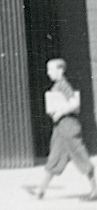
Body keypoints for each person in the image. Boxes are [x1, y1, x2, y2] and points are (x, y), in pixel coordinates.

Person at [33, 58, 97, 200]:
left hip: (68, 128)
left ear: (60, 70)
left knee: (82, 159)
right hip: (61, 129)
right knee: (54, 159)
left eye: (51, 69)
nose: (48, 73)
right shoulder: (57, 85)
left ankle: (95, 190)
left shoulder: (63, 85)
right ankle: (40, 191)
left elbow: (74, 103)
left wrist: (60, 112)